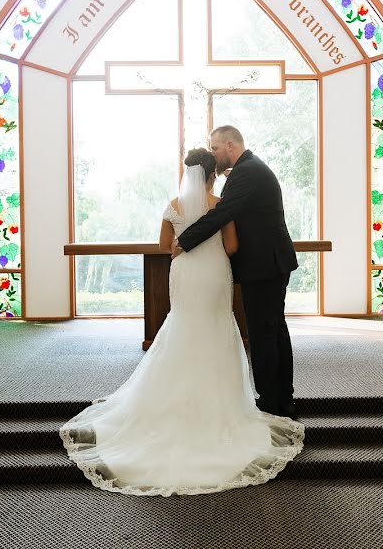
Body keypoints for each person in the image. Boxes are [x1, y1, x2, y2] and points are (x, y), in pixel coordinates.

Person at [59, 147, 304, 496]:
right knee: (216, 328)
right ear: (211, 174)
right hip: (214, 272)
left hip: (185, 273)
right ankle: (222, 405)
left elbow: (164, 245)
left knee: (183, 326)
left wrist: (183, 243)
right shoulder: (220, 204)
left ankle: (169, 401)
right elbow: (232, 246)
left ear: (186, 172)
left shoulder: (173, 205)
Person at [174, 126, 299, 419]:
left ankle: (271, 403)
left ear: (229, 145)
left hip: (264, 266)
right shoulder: (249, 169)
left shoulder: (247, 172)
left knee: (264, 334)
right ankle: (283, 399)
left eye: (215, 148)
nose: (213, 154)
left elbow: (222, 213)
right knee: (274, 331)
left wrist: (185, 240)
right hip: (271, 263)